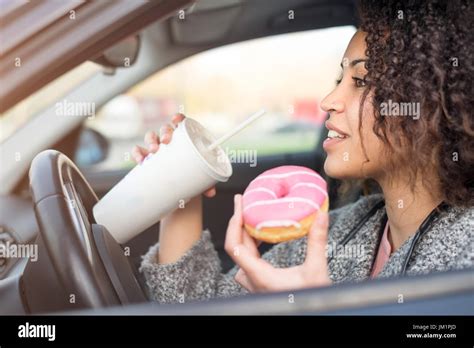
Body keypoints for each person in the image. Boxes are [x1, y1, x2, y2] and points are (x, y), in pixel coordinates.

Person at [132, 0, 473, 304]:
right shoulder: (345, 227)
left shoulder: (465, 250)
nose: (328, 101)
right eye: (340, 80)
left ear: (432, 105)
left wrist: (316, 307)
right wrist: (180, 193)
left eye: (361, 80)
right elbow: (197, 308)